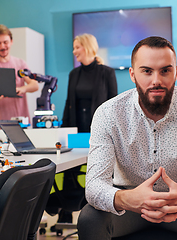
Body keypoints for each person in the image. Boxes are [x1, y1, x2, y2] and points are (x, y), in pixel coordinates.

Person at [77, 36, 177, 240]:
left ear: (176, 72)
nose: (156, 80)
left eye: (165, 70)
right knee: (89, 219)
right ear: (132, 74)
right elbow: (93, 186)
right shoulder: (108, 113)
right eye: (146, 71)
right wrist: (127, 198)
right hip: (128, 201)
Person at [46, 34, 117, 226]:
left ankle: (95, 209)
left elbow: (113, 104)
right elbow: (69, 103)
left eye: (76, 47)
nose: (74, 51)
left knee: (96, 170)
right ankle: (66, 209)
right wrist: (62, 131)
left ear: (86, 47)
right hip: (76, 133)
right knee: (70, 167)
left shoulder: (106, 72)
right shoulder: (73, 74)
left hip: (99, 133)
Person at [0, 24, 39, 136]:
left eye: (5, 42)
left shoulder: (20, 63)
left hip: (22, 126)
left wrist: (22, 89)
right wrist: (0, 96)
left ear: (11, 41)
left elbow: (35, 85)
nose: (3, 46)